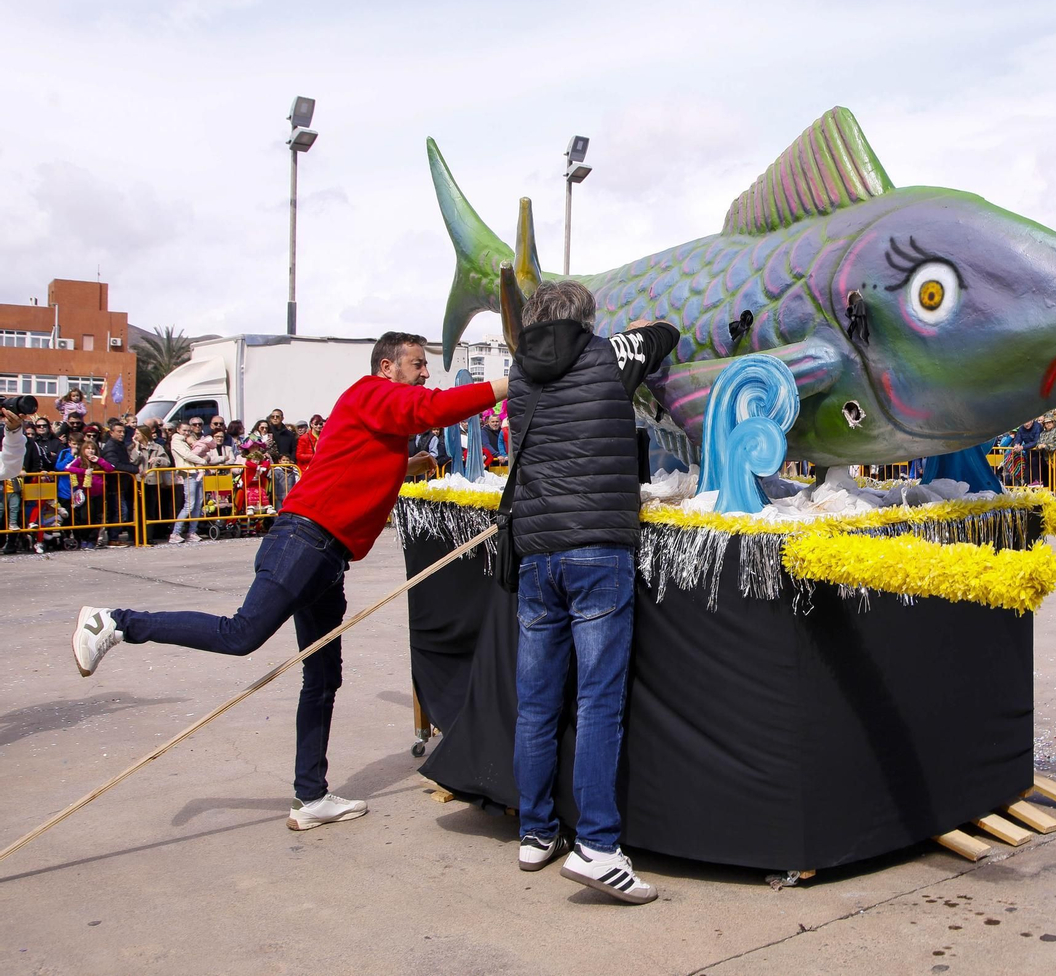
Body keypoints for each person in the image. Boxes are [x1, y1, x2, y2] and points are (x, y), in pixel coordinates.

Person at [68, 332, 508, 831]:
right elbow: (434, 409)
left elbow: (359, 465)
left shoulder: (378, 410)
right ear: (387, 367)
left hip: (327, 556)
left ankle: (310, 796)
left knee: (323, 677)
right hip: (304, 542)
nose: (425, 373)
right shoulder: (371, 391)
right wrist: (510, 382)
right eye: (416, 364)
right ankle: (116, 621)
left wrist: (410, 465)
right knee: (241, 634)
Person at [506, 281, 678, 905]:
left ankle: (535, 831)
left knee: (536, 702)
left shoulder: (520, 374)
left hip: (535, 553)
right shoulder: (609, 355)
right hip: (598, 549)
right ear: (585, 320)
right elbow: (665, 335)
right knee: (598, 701)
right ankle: (598, 847)